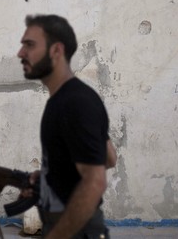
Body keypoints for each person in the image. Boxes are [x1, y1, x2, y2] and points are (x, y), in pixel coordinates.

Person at [17, 14, 117, 239]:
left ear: (56, 51)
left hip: (75, 229)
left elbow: (95, 182)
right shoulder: (69, 98)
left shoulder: (74, 103)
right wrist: (49, 176)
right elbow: (109, 157)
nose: (20, 53)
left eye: (29, 45)